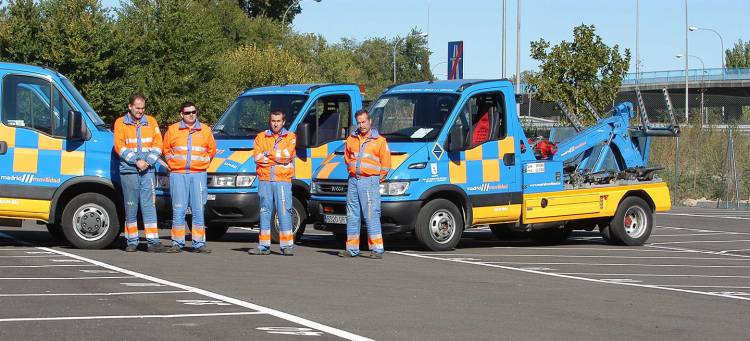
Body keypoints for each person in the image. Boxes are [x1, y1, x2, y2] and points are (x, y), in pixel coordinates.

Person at [113, 93, 166, 253]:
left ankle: (153, 242)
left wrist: (148, 161)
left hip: (147, 170)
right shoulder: (120, 123)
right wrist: (137, 161)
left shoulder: (151, 121)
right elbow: (119, 146)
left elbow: (158, 144)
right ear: (130, 106)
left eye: (142, 108)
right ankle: (132, 241)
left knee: (149, 205)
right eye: (137, 108)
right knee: (131, 205)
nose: (140, 111)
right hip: (129, 170)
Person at [162, 102, 216, 253]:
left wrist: (203, 163)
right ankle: (177, 243)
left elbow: (212, 150)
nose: (191, 115)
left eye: (193, 112)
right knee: (178, 209)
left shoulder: (205, 130)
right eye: (187, 113)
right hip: (178, 174)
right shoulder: (173, 130)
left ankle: (199, 243)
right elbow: (166, 149)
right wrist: (172, 163)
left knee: (198, 209)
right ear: (181, 114)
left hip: (198, 174)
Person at [339, 109, 391, 259]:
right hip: (354, 180)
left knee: (371, 214)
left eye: (364, 122)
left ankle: (377, 249)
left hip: (370, 181)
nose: (361, 125)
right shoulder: (351, 139)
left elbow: (386, 163)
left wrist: (376, 178)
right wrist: (352, 170)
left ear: (370, 121)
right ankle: (351, 248)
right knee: (352, 214)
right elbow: (347, 157)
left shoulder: (380, 141)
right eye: (359, 122)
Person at [249, 110, 297, 256]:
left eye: (278, 121)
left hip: (282, 180)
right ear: (270, 122)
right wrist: (276, 156)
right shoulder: (260, 137)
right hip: (265, 180)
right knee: (264, 210)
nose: (275, 124)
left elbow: (287, 156)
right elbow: (257, 157)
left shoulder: (290, 137)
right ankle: (263, 246)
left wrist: (268, 154)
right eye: (273, 121)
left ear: (283, 122)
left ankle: (287, 245)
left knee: (284, 210)